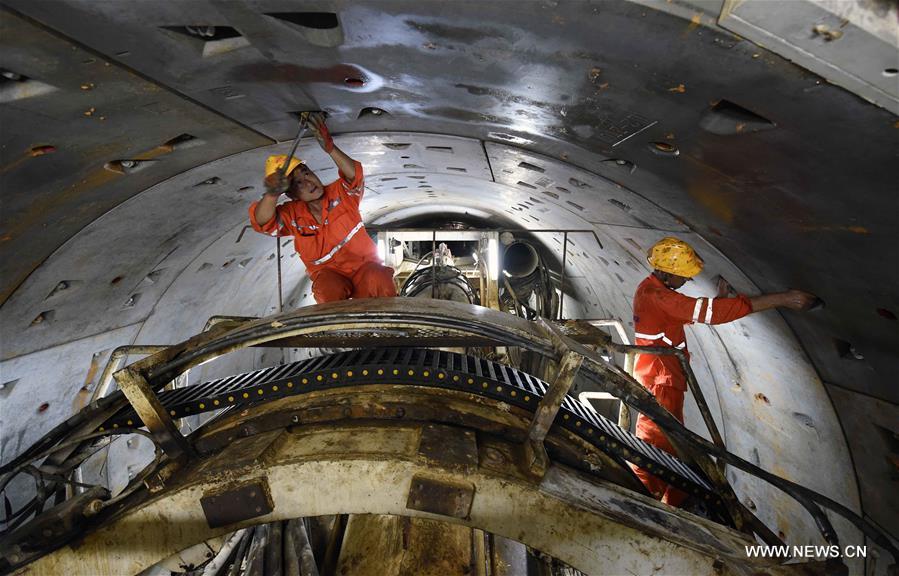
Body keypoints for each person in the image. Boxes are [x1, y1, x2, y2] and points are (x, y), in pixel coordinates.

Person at [630, 237, 817, 507]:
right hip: (661, 381)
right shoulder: (659, 296)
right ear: (667, 273)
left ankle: (675, 499)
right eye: (684, 277)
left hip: (658, 376)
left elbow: (679, 314)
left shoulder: (650, 288)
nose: (686, 282)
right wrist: (784, 299)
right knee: (656, 442)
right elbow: (707, 314)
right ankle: (639, 500)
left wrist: (719, 300)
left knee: (671, 442)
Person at [249, 114, 397, 303]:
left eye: (307, 174)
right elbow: (262, 222)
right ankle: (337, 330)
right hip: (330, 275)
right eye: (298, 183)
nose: (308, 182)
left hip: (364, 268)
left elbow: (354, 176)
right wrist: (271, 194)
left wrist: (330, 148)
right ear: (291, 194)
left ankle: (389, 326)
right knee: (327, 288)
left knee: (380, 277)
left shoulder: (341, 195)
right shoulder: (292, 214)